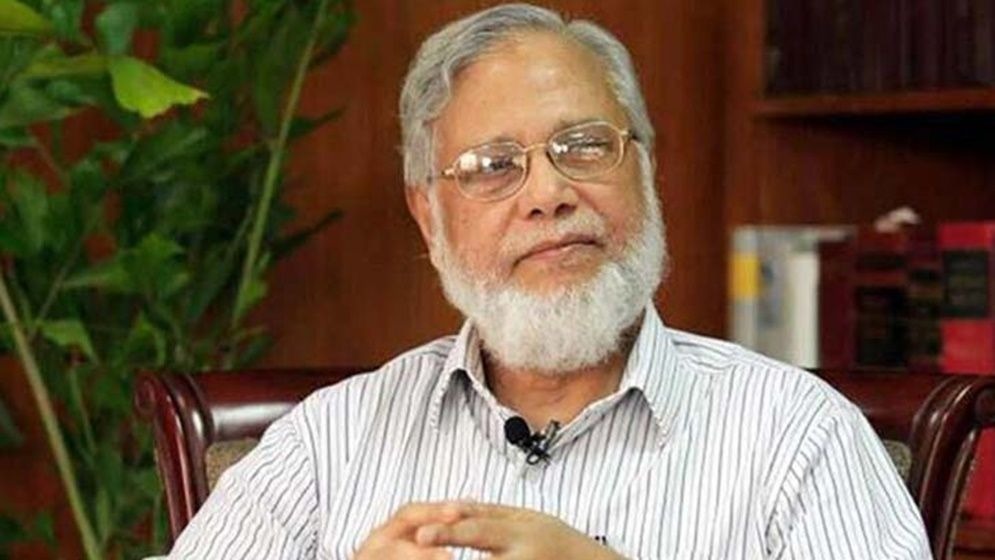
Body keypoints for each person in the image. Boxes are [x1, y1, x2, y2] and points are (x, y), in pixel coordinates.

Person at [158, 3, 931, 559]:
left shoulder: (798, 436)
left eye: (584, 146)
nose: (547, 193)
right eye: (493, 166)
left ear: (645, 173)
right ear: (428, 214)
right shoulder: (329, 443)